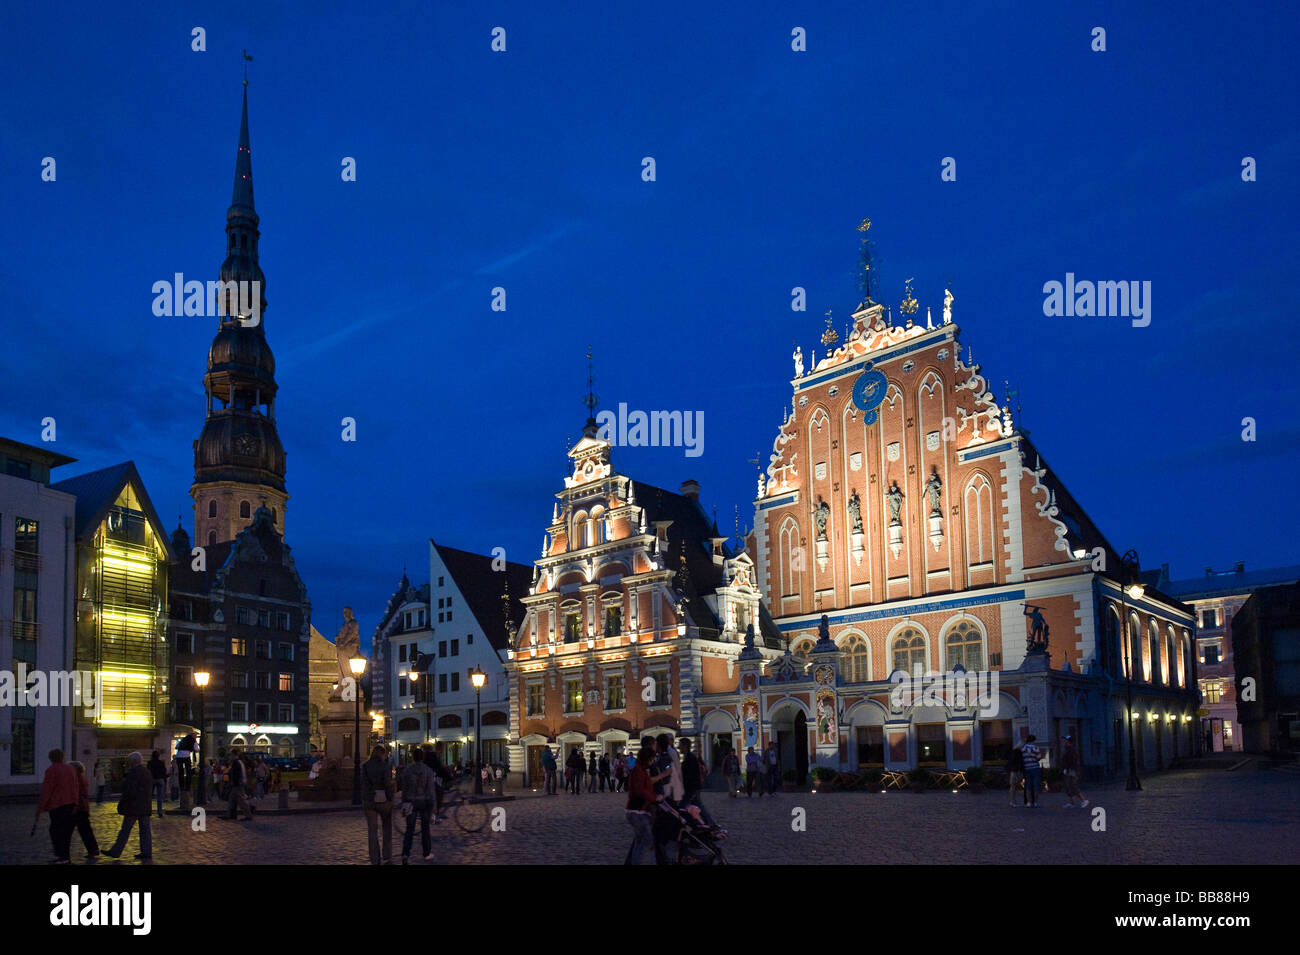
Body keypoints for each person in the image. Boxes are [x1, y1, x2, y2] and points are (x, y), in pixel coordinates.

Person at [103, 752, 154, 861]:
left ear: (134, 761)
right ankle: (146, 852)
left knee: (125, 830)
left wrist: (123, 803)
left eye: (129, 761)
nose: (128, 763)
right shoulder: (146, 772)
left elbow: (129, 790)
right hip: (145, 806)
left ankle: (116, 851)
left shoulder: (133, 773)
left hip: (133, 806)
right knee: (145, 830)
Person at [34, 749, 79, 864]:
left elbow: (47, 790)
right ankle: (65, 856)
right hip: (70, 804)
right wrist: (75, 802)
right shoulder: (70, 769)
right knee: (66, 832)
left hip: (57, 805)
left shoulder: (52, 770)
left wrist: (40, 808)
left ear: (51, 758)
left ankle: (61, 856)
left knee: (56, 831)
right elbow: (75, 787)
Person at [624, 743, 661, 865]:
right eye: (651, 759)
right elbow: (640, 791)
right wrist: (655, 798)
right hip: (637, 810)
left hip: (638, 810)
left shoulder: (641, 770)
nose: (652, 761)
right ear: (647, 759)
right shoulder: (638, 771)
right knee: (647, 841)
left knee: (640, 840)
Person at [399, 748, 436, 864]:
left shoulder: (407, 771)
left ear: (413, 757)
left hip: (410, 802)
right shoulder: (428, 771)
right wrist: (433, 804)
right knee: (425, 828)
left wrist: (403, 802)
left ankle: (405, 854)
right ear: (423, 757)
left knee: (409, 829)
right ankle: (426, 853)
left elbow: (404, 789)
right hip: (424, 802)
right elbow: (430, 790)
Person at [362, 745, 395, 865]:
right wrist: (391, 798)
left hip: (369, 801)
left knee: (372, 831)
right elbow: (388, 783)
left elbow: (364, 784)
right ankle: (387, 854)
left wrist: (367, 797)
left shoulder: (365, 766)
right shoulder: (385, 766)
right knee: (387, 828)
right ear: (382, 754)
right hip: (384, 800)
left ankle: (375, 858)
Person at [679, 739, 718, 828]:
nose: (679, 747)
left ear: (685, 746)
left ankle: (704, 823)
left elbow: (692, 775)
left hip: (691, 788)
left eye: (680, 745)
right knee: (698, 805)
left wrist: (691, 788)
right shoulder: (689, 757)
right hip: (692, 787)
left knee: (682, 806)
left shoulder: (690, 758)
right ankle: (708, 822)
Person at [69, 761, 100, 859]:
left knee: (70, 831)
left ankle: (63, 853)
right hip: (83, 807)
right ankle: (93, 849)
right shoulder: (82, 778)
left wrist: (75, 806)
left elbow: (77, 793)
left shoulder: (76, 778)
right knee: (86, 830)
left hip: (78, 807)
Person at [1060, 734, 1089, 809]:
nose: (1064, 741)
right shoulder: (1067, 749)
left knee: (1072, 785)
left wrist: (1067, 768)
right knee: (1068, 786)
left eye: (1065, 740)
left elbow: (1072, 761)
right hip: (1069, 769)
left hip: (1072, 770)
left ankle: (1084, 800)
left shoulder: (1071, 749)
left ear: (1069, 741)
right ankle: (1072, 802)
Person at [227, 750, 254, 821]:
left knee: (241, 800)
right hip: (239, 783)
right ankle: (231, 815)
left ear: (234, 755)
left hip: (238, 784)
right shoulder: (240, 762)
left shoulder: (236, 763)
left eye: (231, 755)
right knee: (232, 799)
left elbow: (236, 774)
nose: (230, 757)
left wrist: (234, 782)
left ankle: (248, 815)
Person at [1021, 735, 1043, 808]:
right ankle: (1035, 802)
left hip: (1027, 768)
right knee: (1035, 785)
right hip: (1035, 767)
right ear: (1033, 741)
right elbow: (1039, 757)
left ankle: (1029, 802)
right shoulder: (1035, 748)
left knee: (1028, 785)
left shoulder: (1023, 748)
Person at [148, 749, 167, 817]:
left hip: (152, 779)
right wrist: (164, 779)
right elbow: (164, 771)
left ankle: (149, 810)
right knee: (159, 797)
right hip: (160, 779)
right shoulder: (161, 763)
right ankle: (159, 811)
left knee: (149, 796)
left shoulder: (150, 763)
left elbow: (148, 771)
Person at [1007, 743, 1025, 807]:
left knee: (1013, 786)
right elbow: (1018, 762)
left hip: (1014, 771)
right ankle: (1012, 801)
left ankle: (1012, 801)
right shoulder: (1017, 753)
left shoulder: (1014, 752)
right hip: (1015, 771)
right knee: (1013, 786)